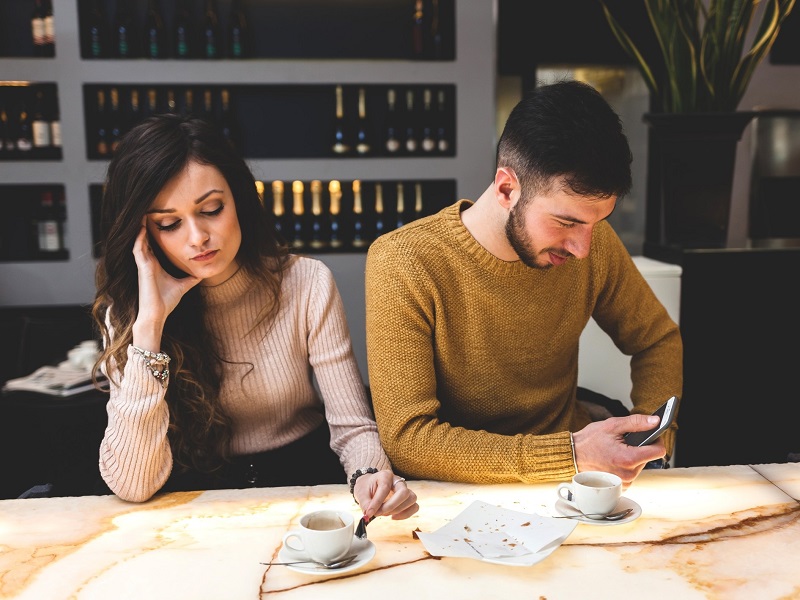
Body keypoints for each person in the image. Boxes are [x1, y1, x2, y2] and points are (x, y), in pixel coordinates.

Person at [92, 113, 418, 524]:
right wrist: (149, 327)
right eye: (169, 223)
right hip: (196, 504)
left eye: (211, 209)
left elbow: (352, 425)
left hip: (303, 485)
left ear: (239, 200)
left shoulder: (306, 282)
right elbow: (133, 485)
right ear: (145, 235)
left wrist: (369, 475)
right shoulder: (129, 312)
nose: (197, 237)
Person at [365, 80, 683, 488]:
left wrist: (652, 443)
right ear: (506, 189)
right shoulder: (404, 261)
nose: (583, 248)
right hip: (455, 490)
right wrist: (570, 455)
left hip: (576, 483)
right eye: (566, 222)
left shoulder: (593, 244)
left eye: (596, 223)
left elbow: (656, 340)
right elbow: (407, 438)